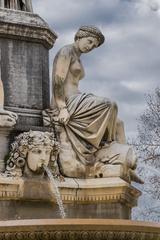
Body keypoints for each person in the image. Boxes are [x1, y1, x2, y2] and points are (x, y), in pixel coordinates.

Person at [50, 26, 126, 167]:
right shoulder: (66, 51)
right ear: (79, 36)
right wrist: (62, 108)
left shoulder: (78, 57)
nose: (91, 47)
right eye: (90, 41)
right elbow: (58, 81)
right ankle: (107, 146)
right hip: (68, 102)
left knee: (118, 123)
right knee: (110, 104)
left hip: (78, 98)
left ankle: (124, 161)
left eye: (94, 46)